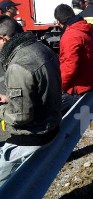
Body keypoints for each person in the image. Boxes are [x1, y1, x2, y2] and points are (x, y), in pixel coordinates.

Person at [0, 15, 61, 186]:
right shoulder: (42, 48)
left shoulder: (18, 65)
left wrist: (2, 110)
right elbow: (40, 88)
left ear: (3, 38)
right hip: (52, 125)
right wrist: (9, 99)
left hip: (33, 137)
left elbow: (20, 117)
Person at [54, 4, 93, 114]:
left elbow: (69, 67)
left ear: (58, 21)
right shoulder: (82, 28)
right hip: (87, 82)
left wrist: (59, 87)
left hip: (77, 89)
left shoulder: (71, 36)